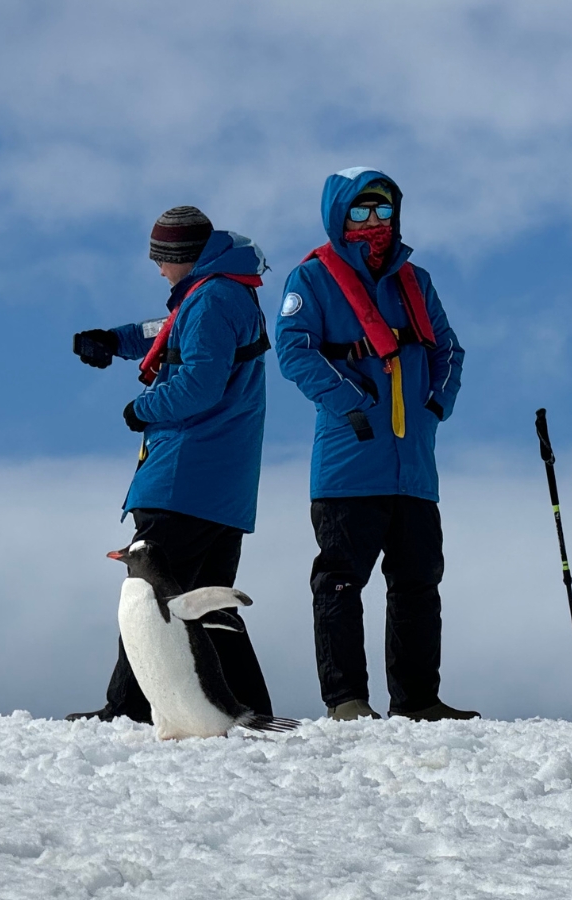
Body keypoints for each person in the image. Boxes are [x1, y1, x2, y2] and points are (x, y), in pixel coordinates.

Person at [274, 168, 476, 722]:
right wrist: (354, 404)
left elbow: (450, 353)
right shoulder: (310, 279)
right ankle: (347, 701)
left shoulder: (417, 280)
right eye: (360, 211)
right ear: (339, 216)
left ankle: (418, 701)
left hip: (413, 467)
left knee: (418, 585)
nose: (373, 223)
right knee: (340, 581)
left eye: (383, 211)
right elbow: (293, 352)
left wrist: (435, 408)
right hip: (347, 462)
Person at [65, 205, 275, 723]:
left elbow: (199, 384)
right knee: (207, 606)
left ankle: (129, 708)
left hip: (186, 474)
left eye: (162, 258)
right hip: (222, 486)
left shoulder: (212, 301)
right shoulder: (222, 292)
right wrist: (114, 340)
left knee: (149, 599)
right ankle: (247, 711)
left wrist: (142, 409)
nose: (157, 268)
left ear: (183, 256)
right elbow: (167, 329)